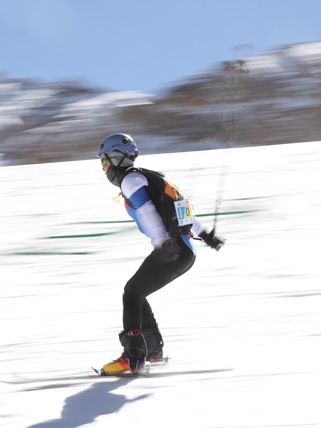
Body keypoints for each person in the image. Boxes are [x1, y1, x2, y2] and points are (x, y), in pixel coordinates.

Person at [96, 133, 225, 375]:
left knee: (132, 294)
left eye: (104, 161)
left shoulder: (130, 180)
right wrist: (205, 235)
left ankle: (133, 357)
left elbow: (146, 210)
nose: (103, 168)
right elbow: (182, 209)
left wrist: (162, 242)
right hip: (185, 251)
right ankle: (152, 352)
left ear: (116, 158)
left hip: (173, 250)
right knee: (137, 292)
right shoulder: (150, 177)